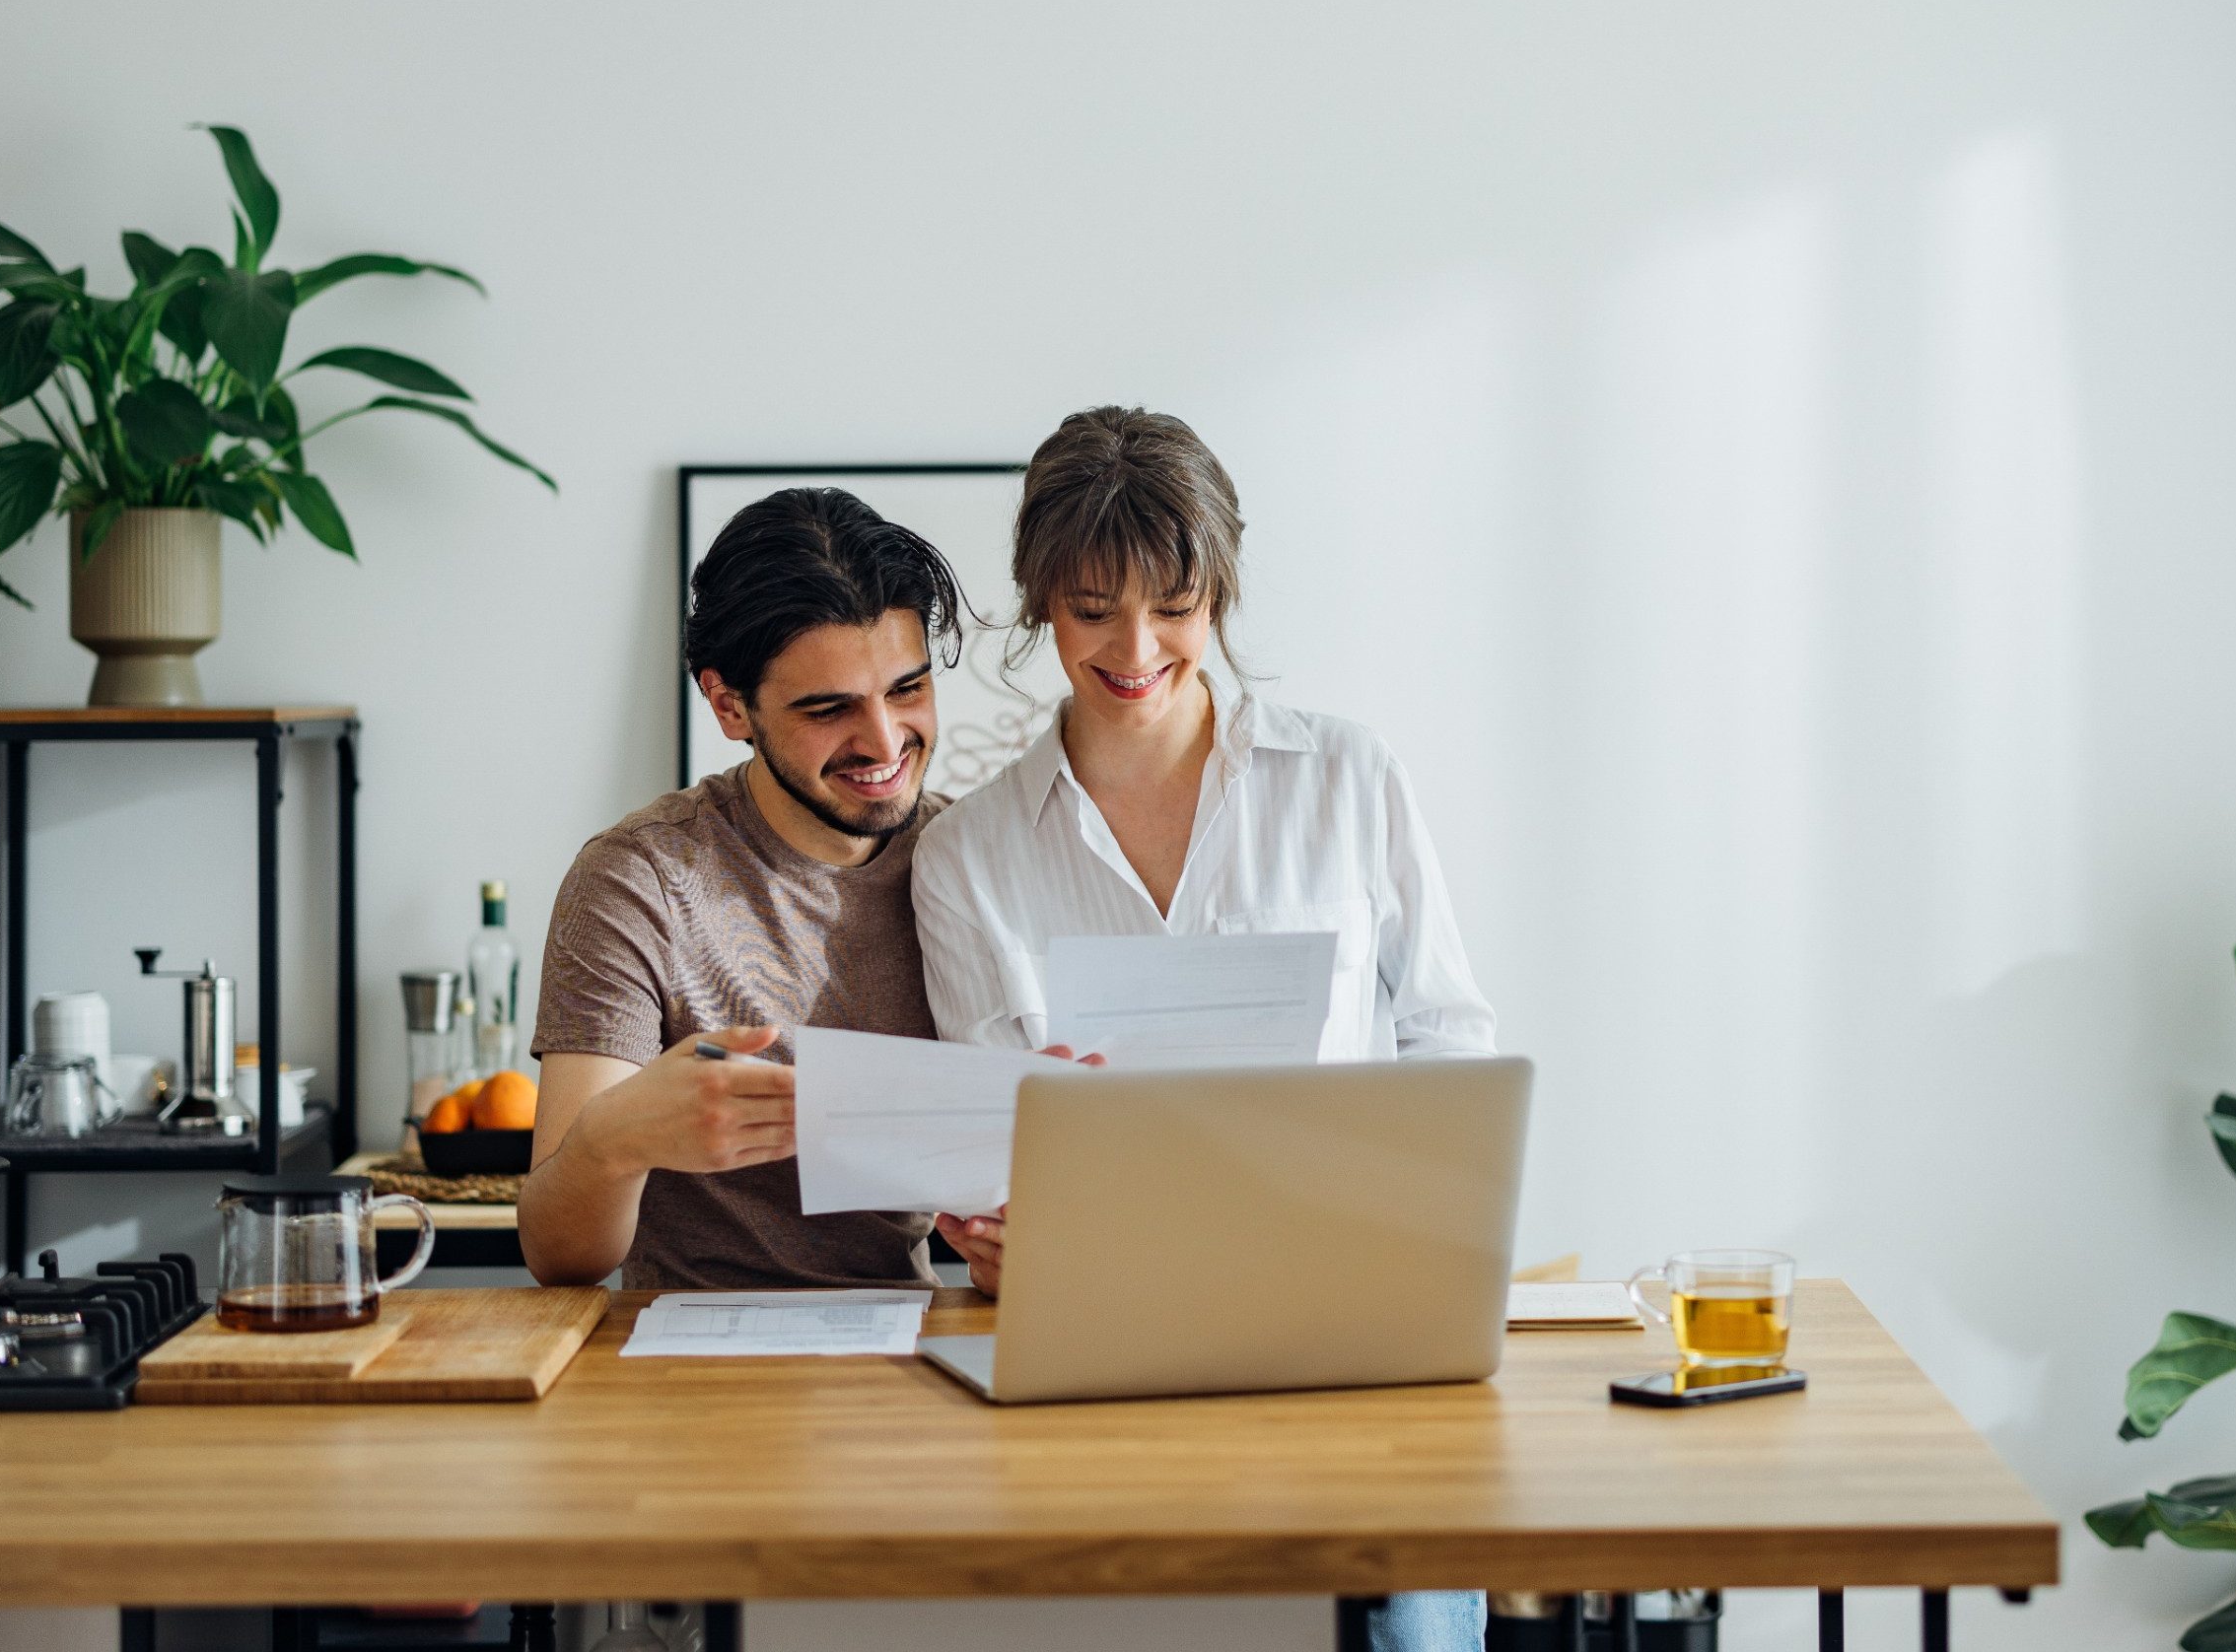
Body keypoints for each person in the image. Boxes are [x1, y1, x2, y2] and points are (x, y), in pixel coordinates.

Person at [911, 406, 1501, 1652]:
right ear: (1038, 608)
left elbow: (1451, 1043)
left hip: (1352, 1339)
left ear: (1221, 593)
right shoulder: (967, 856)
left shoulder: (1348, 779)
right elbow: (986, 1138)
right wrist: (984, 1230)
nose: (1136, 649)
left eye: (1174, 606)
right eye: (1090, 611)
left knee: (1398, 1631)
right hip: (1097, 1362)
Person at [518, 486, 969, 1290]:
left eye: (907, 689)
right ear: (730, 705)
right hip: (688, 1368)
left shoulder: (971, 858)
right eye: (829, 708)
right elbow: (559, 1255)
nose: (883, 740)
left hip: (911, 1354)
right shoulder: (637, 881)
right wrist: (617, 1140)